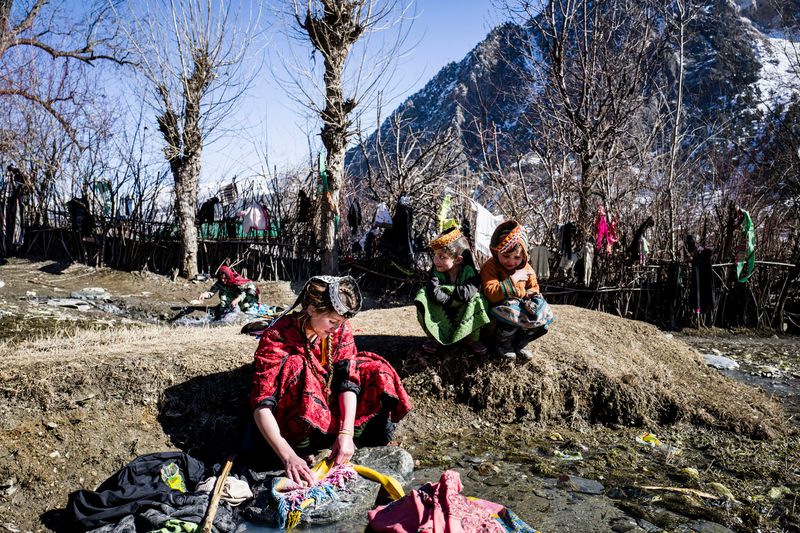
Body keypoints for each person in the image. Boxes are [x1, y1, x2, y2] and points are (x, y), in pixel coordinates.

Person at [248, 276, 412, 484]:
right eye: (332, 321)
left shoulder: (340, 330)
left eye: (341, 323)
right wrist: (289, 457)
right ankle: (303, 450)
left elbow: (348, 381)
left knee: (377, 370)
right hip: (295, 425)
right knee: (297, 367)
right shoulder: (277, 337)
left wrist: (346, 433)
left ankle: (354, 442)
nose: (336, 328)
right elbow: (262, 404)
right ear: (311, 309)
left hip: (330, 409)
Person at [481, 220, 553, 360]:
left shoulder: (527, 268)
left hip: (523, 306)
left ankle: (520, 343)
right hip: (498, 310)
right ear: (497, 252)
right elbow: (491, 294)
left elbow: (534, 287)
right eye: (506, 256)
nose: (511, 261)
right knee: (511, 309)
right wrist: (513, 280)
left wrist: (530, 298)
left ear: (524, 256)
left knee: (541, 311)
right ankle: (503, 344)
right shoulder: (490, 267)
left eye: (517, 257)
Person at [413, 227, 490, 355]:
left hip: (463, 309)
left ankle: (471, 339)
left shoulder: (469, 272)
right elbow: (433, 292)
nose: (436, 260)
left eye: (442, 256)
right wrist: (450, 300)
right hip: (443, 307)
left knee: (478, 299)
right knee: (423, 295)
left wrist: (448, 294)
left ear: (458, 259)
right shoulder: (436, 271)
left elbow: (468, 293)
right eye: (435, 255)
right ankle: (435, 338)